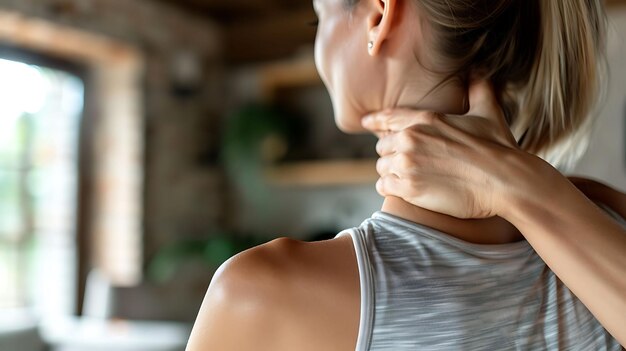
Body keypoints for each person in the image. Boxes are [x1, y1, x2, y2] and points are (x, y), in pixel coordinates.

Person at [186, 0, 626, 350]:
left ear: (379, 16)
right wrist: (523, 188)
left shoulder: (261, 297)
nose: (318, 45)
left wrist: (516, 186)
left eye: (317, 20)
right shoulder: (609, 217)